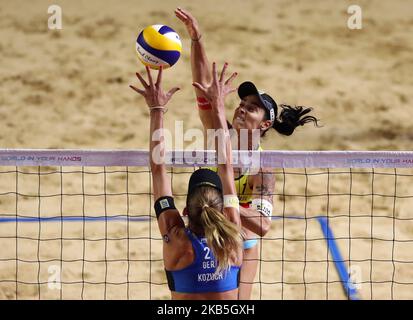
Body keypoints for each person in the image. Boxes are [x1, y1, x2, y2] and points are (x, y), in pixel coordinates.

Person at [175, 7, 320, 299]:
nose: (242, 107)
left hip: (244, 241)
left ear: (265, 123)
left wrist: (223, 207)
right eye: (242, 102)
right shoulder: (220, 136)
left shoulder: (263, 170)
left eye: (252, 107)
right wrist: (197, 39)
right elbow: (203, 89)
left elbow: (264, 225)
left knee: (239, 303)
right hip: (207, 233)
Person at [129, 64, 243, 299]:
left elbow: (158, 168)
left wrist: (157, 109)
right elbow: (226, 166)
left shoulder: (176, 241)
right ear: (223, 212)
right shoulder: (232, 239)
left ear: (184, 211)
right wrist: (219, 107)